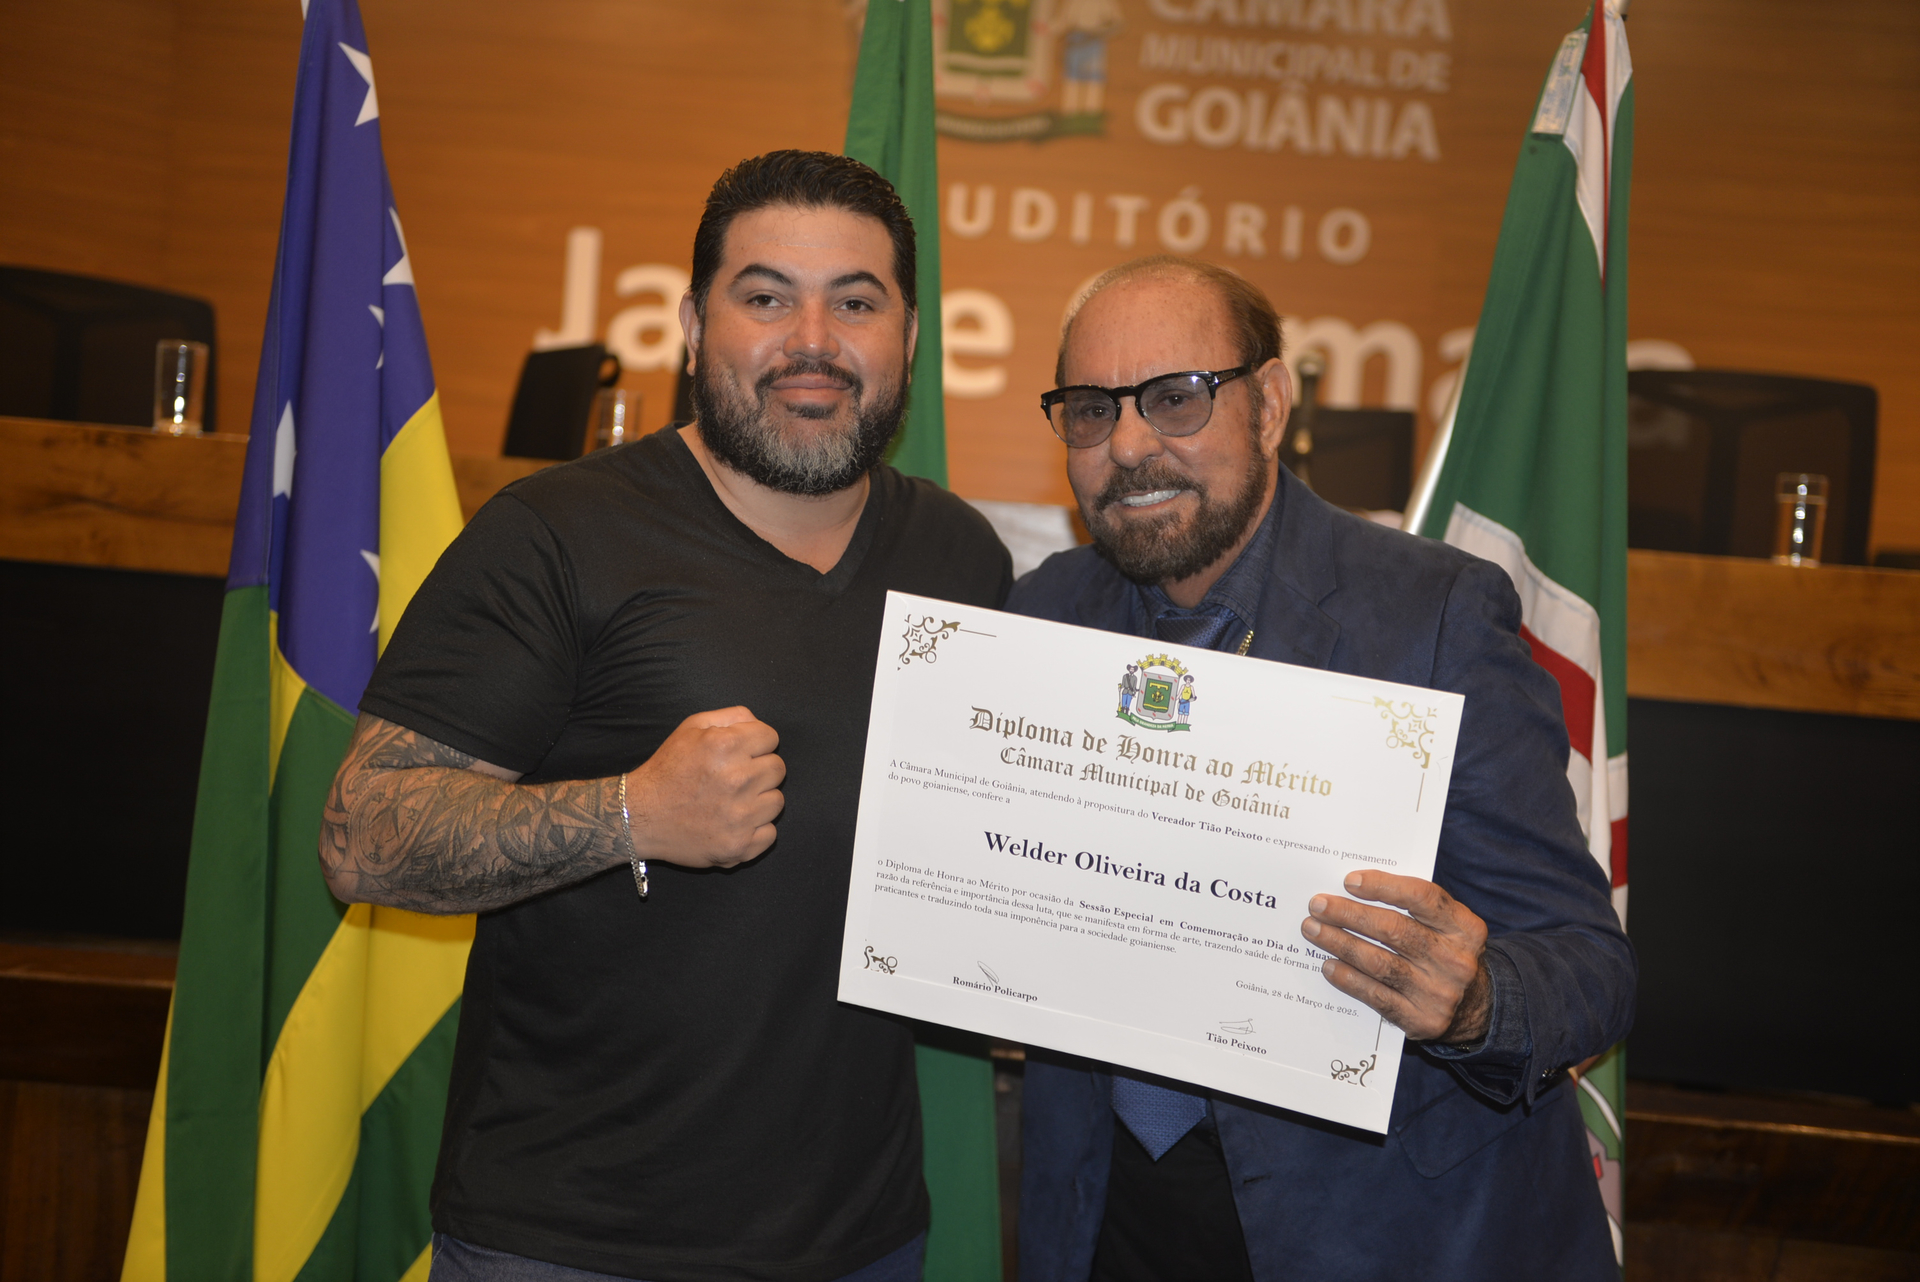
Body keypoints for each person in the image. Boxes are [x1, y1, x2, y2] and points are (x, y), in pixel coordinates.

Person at [319, 150, 1011, 1282]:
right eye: (766, 298)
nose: (813, 342)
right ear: (692, 327)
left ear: (910, 338)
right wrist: (632, 812)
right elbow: (362, 835)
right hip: (571, 1243)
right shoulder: (556, 533)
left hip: (863, 1240)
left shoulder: (961, 557)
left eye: (855, 303)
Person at [1008, 257, 1634, 1282]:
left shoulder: (1435, 617)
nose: (1127, 444)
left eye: (1176, 398)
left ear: (1269, 405)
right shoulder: (1042, 615)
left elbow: (1592, 969)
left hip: (1385, 1232)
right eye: (1090, 410)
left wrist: (1475, 1000)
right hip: (1111, 1216)